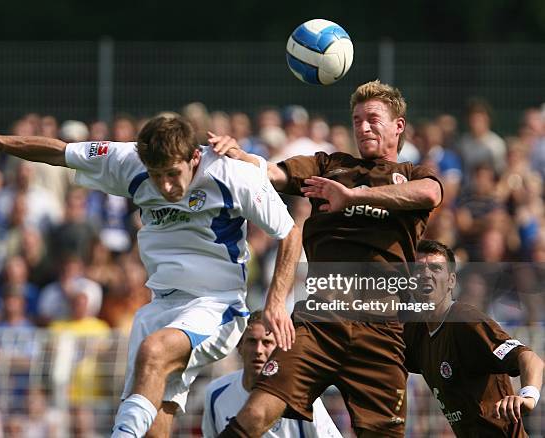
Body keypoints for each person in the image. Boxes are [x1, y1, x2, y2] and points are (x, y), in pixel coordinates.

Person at [0, 115, 302, 438]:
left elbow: (289, 232)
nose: (165, 188)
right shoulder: (128, 160)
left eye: (173, 175)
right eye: (156, 176)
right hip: (160, 305)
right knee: (155, 420)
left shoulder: (231, 173)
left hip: (217, 304)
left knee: (154, 351)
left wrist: (274, 302)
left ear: (194, 157)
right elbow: (59, 152)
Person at [210, 80, 443, 437]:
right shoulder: (329, 164)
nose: (363, 127)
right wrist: (240, 156)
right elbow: (273, 173)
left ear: (399, 125)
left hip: (380, 331)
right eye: (356, 119)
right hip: (319, 321)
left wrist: (353, 197)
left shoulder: (413, 175)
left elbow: (429, 193)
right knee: (254, 414)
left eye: (373, 118)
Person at [405, 239, 543, 437]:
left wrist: (528, 397)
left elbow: (530, 358)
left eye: (436, 268)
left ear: (451, 281)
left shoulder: (465, 321)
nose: (426, 274)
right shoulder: (416, 332)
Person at [202, 311, 342, 438]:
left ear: (280, 350)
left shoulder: (301, 396)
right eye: (252, 341)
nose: (258, 350)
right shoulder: (215, 393)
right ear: (239, 347)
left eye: (267, 342)